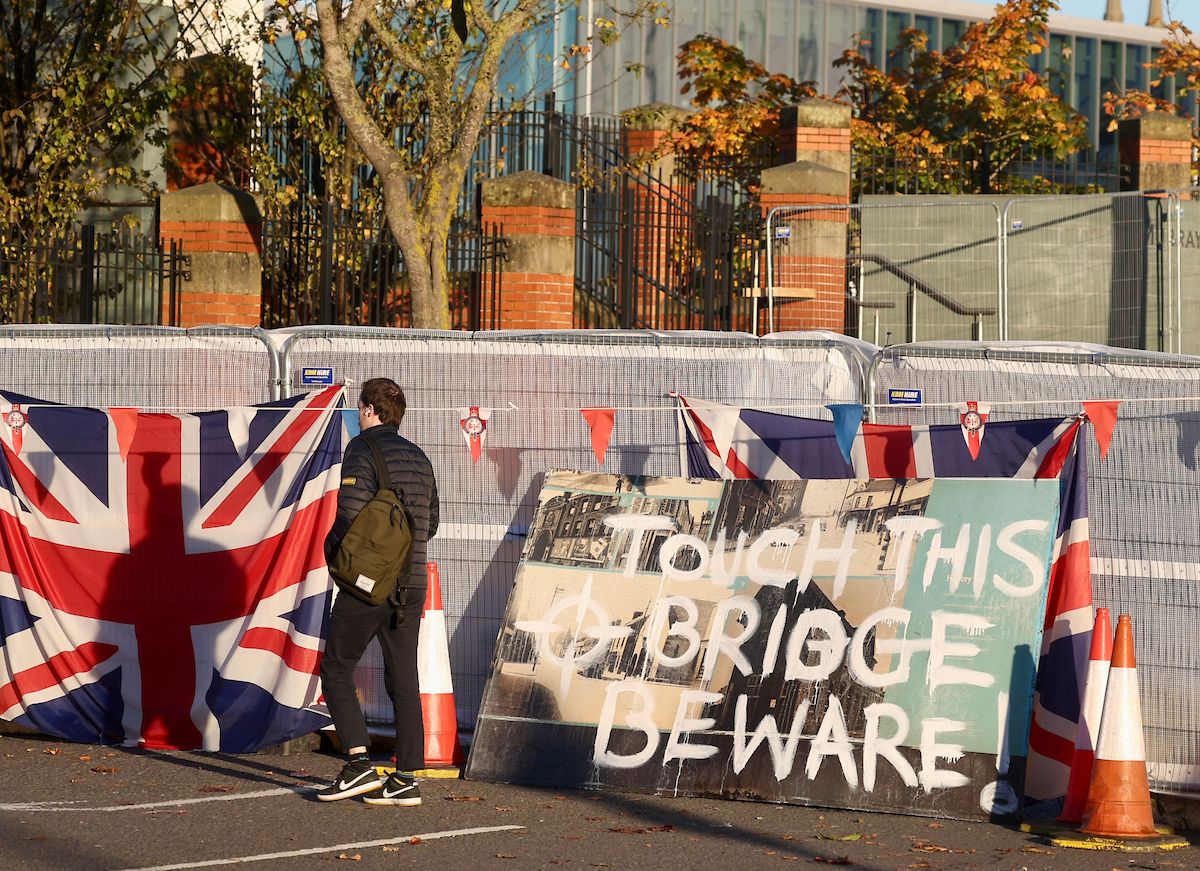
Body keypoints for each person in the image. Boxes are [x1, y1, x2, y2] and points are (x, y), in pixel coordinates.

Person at [317, 378, 439, 806]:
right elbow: (432, 522)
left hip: (369, 584)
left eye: (359, 409)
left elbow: (350, 517)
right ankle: (406, 777)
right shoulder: (421, 458)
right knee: (403, 678)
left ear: (369, 410)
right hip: (413, 584)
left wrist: (334, 555)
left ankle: (357, 765)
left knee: (335, 667)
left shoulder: (362, 450)